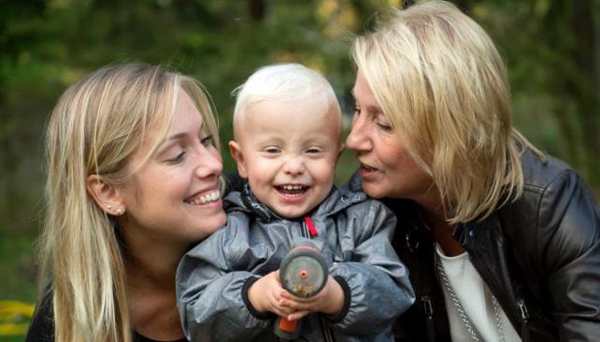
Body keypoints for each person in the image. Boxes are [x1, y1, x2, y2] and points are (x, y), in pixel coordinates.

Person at [345, 1, 600, 341]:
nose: (353, 139)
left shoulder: (548, 205)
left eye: (384, 123)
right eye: (357, 110)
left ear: (451, 128)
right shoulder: (367, 212)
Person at [176, 63, 415, 341]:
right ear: (241, 159)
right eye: (273, 150)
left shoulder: (362, 219)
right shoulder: (228, 229)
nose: (293, 166)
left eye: (312, 150)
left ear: (335, 160)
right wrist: (254, 296)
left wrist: (336, 294)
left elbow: (394, 291)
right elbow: (196, 312)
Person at [26, 62, 226, 342]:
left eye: (205, 140)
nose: (213, 164)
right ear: (108, 192)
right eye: (177, 155)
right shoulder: (66, 321)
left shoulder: (269, 236)